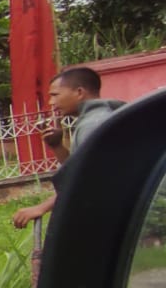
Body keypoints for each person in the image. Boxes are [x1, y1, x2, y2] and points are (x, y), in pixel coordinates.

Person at [12, 67, 124, 229]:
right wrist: (57, 145)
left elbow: (87, 181)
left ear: (79, 92)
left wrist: (42, 207)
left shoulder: (92, 125)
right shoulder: (96, 118)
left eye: (55, 95)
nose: (51, 103)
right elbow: (77, 170)